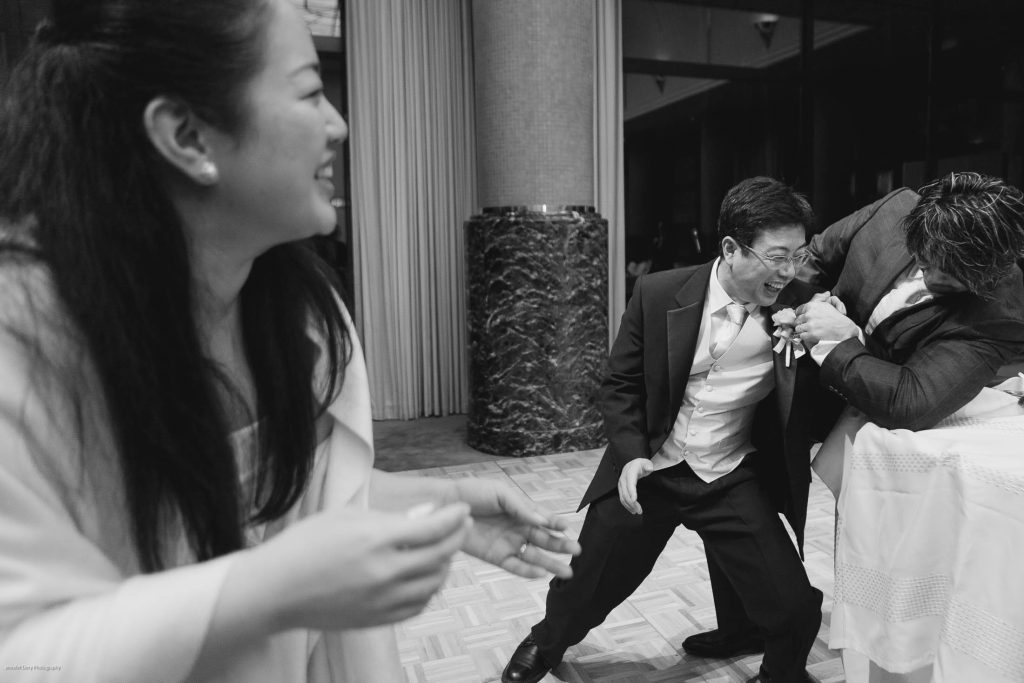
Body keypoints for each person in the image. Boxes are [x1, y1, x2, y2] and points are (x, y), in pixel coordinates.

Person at [0, 1, 581, 681]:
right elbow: (26, 647)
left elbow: (273, 502)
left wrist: (434, 506)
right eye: (309, 92)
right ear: (186, 134)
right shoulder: (24, 344)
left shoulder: (303, 314)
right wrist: (273, 588)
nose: (338, 125)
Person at [502, 177, 825, 683]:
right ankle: (545, 642)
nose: (788, 271)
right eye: (776, 257)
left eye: (798, 255)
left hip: (728, 473)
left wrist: (837, 331)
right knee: (586, 584)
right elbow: (620, 382)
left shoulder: (805, 306)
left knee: (793, 606)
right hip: (652, 468)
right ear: (730, 249)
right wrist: (631, 455)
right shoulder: (659, 292)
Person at [794, 172, 1024, 431]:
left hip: (858, 424)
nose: (933, 280)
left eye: (953, 278)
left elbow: (908, 404)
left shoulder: (1001, 316)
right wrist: (811, 306)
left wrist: (840, 340)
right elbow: (814, 257)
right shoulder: (895, 208)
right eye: (925, 263)